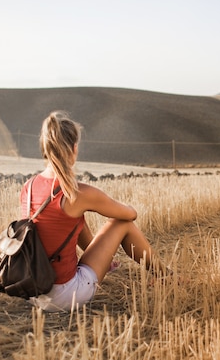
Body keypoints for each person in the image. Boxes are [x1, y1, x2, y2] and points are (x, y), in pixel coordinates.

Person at [20, 110, 166, 312]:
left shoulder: (29, 186)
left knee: (73, 219)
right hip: (64, 296)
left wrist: (100, 256)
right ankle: (166, 276)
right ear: (74, 149)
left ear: (45, 148)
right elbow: (130, 215)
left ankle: (117, 266)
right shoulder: (77, 192)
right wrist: (129, 205)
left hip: (32, 291)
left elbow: (67, 227)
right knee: (120, 223)